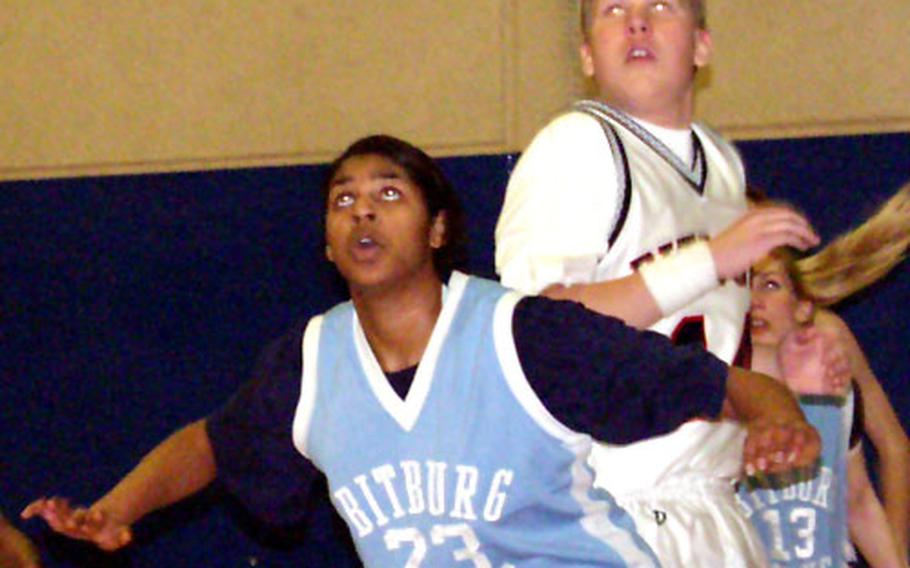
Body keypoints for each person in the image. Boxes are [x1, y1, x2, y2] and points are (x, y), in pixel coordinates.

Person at [24, 135, 822, 567]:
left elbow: (709, 383)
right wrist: (116, 510)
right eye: (344, 200)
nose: (362, 212)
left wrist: (779, 417)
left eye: (388, 195)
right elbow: (211, 444)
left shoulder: (521, 336)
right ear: (329, 246)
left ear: (438, 230)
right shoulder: (309, 368)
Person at [495, 1, 819, 566]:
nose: (636, 23)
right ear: (587, 56)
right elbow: (538, 338)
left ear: (701, 45)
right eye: (613, 10)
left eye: (660, 7)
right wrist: (707, 261)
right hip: (611, 506)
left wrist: (779, 408)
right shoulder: (575, 146)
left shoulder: (720, 163)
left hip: (710, 503)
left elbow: (711, 339)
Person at [742, 186, 910, 567]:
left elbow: (864, 490)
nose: (755, 300)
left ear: (802, 307)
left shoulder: (827, 353)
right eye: (744, 282)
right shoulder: (709, 373)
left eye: (769, 283)